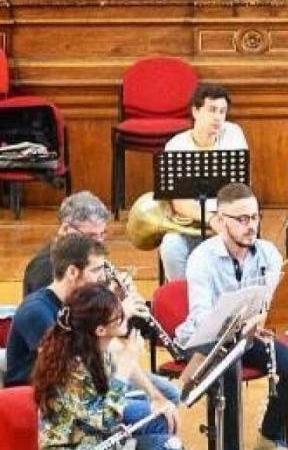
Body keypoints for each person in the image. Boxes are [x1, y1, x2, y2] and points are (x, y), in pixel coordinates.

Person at [176, 183, 288, 450]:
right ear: (221, 221)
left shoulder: (268, 252)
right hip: (208, 339)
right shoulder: (202, 258)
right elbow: (202, 317)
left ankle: (269, 435)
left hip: (250, 335)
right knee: (230, 374)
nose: (251, 226)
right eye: (242, 219)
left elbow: (276, 302)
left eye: (255, 217)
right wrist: (237, 326)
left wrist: (264, 318)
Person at [7, 234, 181, 429]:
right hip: (53, 397)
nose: (103, 277)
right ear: (73, 272)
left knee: (169, 394)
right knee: (156, 416)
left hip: (88, 383)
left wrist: (155, 395)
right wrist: (117, 315)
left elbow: (112, 353)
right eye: (96, 270)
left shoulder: (82, 303)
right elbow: (74, 367)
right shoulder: (36, 310)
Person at [33, 283, 180, 450]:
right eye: (119, 316)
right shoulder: (74, 369)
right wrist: (125, 367)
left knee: (164, 421)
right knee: (167, 446)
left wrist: (156, 397)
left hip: (96, 435)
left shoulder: (97, 346)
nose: (126, 316)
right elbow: (106, 421)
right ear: (101, 330)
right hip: (77, 444)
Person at [161, 83, 249, 281]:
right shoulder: (176, 146)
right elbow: (178, 202)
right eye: (211, 110)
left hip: (227, 220)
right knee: (170, 247)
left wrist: (224, 220)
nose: (218, 117)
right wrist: (210, 219)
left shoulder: (233, 134)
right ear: (195, 111)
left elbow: (240, 190)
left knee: (235, 245)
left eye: (222, 111)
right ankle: (182, 300)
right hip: (191, 222)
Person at [23, 191, 109, 297]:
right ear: (65, 229)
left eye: (102, 234)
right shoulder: (44, 268)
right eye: (91, 236)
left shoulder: (86, 257)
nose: (99, 242)